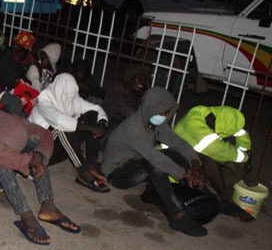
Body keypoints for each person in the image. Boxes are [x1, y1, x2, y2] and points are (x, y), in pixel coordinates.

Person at [0, 106, 81, 245]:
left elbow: (44, 134)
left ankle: (48, 206)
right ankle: (26, 215)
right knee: (2, 163)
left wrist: (40, 155)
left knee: (36, 149)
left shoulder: (12, 121)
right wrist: (28, 160)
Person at [100, 87, 208, 237]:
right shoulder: (134, 128)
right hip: (117, 174)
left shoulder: (154, 123)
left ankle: (199, 192)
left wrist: (195, 165)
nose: (163, 116)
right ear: (150, 108)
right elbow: (153, 157)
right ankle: (177, 215)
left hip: (135, 164)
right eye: (160, 112)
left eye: (166, 112)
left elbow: (178, 142)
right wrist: (184, 174)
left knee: (174, 154)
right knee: (155, 163)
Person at [29, 72, 109, 193]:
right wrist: (91, 129)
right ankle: (84, 173)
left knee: (92, 115)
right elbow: (60, 120)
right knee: (62, 127)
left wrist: (102, 124)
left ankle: (91, 163)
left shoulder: (71, 99)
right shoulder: (44, 101)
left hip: (62, 150)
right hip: (40, 154)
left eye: (71, 95)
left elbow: (96, 108)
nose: (69, 98)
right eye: (66, 94)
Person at [173, 105, 256, 219]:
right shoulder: (194, 121)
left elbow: (241, 134)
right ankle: (224, 198)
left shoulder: (216, 116)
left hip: (194, 159)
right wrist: (244, 157)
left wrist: (246, 152)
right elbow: (215, 148)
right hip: (174, 159)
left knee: (233, 163)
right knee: (211, 158)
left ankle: (232, 194)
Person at [102, 68, 147, 133]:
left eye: (144, 80)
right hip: (105, 130)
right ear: (129, 78)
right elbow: (127, 111)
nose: (142, 82)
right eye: (138, 78)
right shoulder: (117, 92)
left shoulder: (135, 95)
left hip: (118, 130)